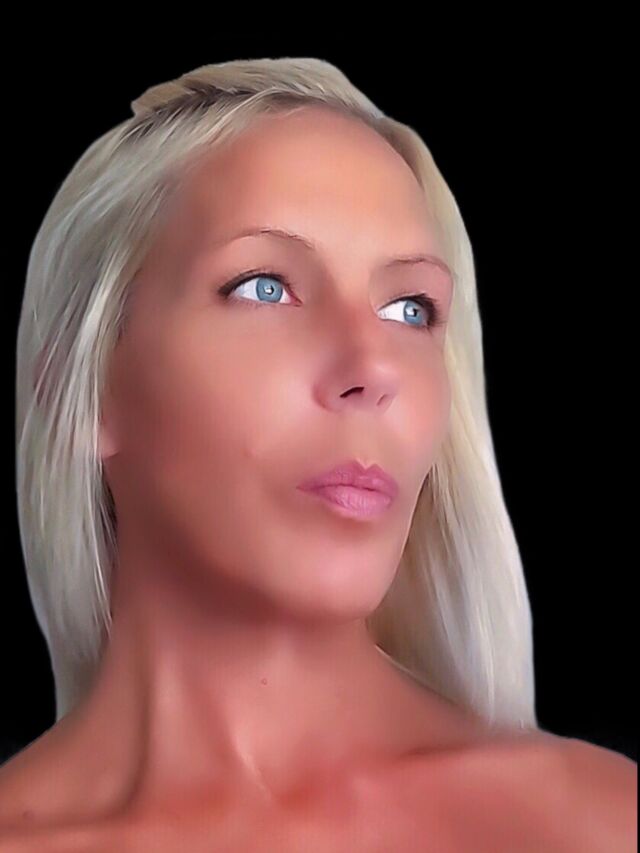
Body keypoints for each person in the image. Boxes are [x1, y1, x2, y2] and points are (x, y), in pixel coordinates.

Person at [1, 58, 635, 850]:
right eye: (264, 286)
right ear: (85, 387)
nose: (372, 369)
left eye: (410, 309)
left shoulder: (595, 825)